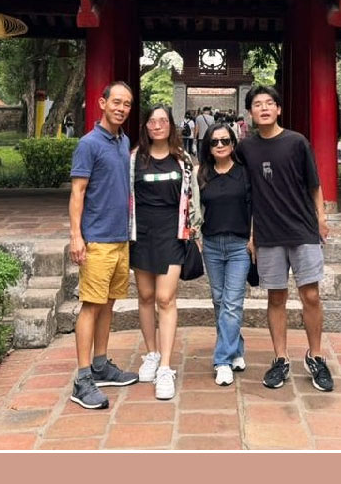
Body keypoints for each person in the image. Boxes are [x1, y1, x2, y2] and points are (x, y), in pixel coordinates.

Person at [236, 85, 334, 393]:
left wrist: (321, 218)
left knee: (311, 296)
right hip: (268, 233)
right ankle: (280, 358)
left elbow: (315, 184)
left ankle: (315, 356)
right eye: (257, 104)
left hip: (302, 229)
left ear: (279, 109)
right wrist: (251, 234)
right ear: (250, 113)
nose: (263, 108)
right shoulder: (246, 148)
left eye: (269, 103)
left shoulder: (296, 142)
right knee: (275, 298)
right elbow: (245, 194)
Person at [68, 81, 141, 410]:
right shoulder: (89, 143)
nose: (122, 108)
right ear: (102, 103)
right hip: (96, 239)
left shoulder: (123, 140)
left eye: (127, 103)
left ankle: (100, 364)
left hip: (120, 238)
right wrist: (76, 236)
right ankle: (82, 378)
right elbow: (78, 192)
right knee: (91, 305)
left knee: (109, 303)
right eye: (116, 102)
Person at [130, 105, 202, 400]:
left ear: (171, 126)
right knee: (145, 297)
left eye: (163, 121)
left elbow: (193, 196)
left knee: (165, 298)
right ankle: (151, 353)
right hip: (141, 234)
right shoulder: (134, 159)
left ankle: (166, 368)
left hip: (172, 233)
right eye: (152, 121)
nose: (157, 125)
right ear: (146, 126)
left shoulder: (182, 160)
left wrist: (194, 227)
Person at [197, 122, 251, 386]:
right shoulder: (203, 174)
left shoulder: (244, 173)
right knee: (219, 301)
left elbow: (256, 207)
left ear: (233, 143)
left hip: (239, 246)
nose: (220, 145)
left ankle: (222, 361)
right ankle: (236, 347)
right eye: (214, 142)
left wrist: (254, 238)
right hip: (211, 244)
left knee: (232, 303)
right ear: (208, 146)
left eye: (225, 141)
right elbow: (193, 210)